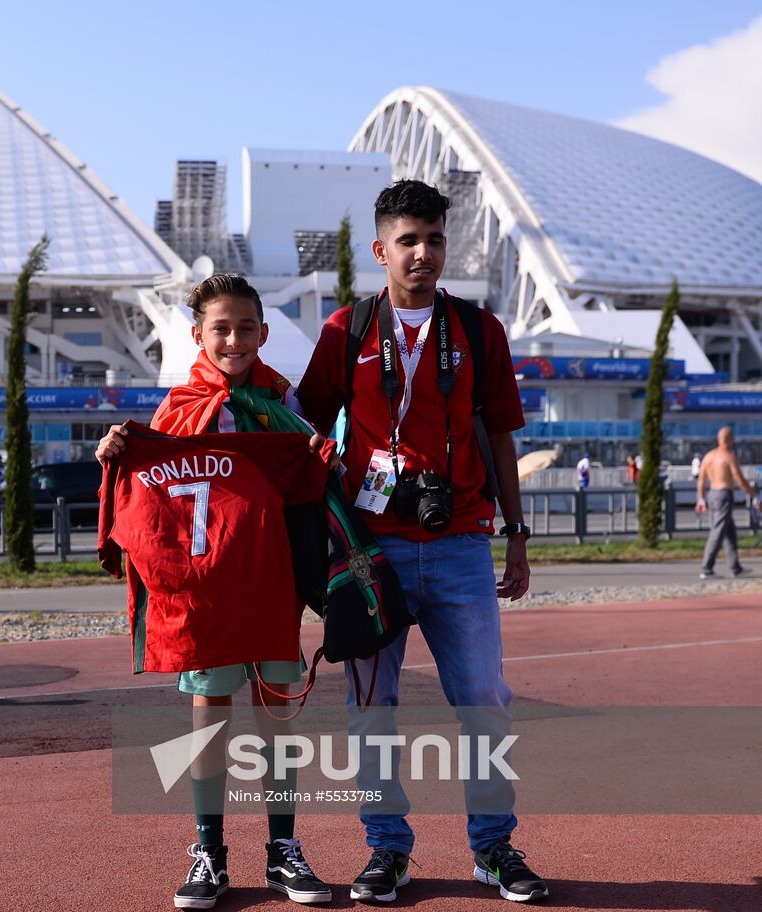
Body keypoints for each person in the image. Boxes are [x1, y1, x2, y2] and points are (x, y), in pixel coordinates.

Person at [295, 180, 545, 903]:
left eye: (435, 239)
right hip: (375, 552)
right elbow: (303, 425)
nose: (424, 253)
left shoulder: (477, 329)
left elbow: (501, 437)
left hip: (463, 543)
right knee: (372, 708)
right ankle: (387, 851)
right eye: (408, 240)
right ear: (381, 249)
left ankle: (494, 849)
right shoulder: (347, 329)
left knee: (484, 703)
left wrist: (516, 536)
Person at [95, 274, 334, 908]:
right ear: (197, 334)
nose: (233, 339)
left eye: (245, 327)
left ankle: (283, 849)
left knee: (278, 714)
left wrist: (321, 458)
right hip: (205, 593)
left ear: (264, 332)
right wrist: (113, 453)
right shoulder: (176, 409)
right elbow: (151, 491)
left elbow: (310, 490)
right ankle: (209, 851)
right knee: (210, 718)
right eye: (219, 328)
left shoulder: (285, 401)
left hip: (272, 585)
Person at [696, 426, 757, 579]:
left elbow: (701, 480)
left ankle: (735, 567)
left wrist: (701, 498)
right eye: (732, 438)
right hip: (724, 494)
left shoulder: (708, 457)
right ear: (728, 440)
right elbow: (740, 479)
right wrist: (753, 495)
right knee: (717, 532)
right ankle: (706, 568)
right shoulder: (729, 456)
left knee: (730, 533)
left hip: (712, 494)